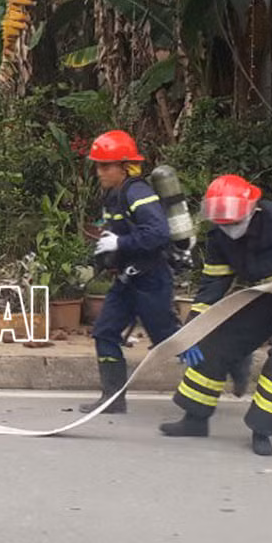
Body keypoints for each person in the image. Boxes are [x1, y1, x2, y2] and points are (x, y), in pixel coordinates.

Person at [160, 174, 272, 456]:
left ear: (251, 211)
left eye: (233, 223)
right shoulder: (219, 237)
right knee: (213, 345)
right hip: (264, 295)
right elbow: (213, 286)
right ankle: (194, 420)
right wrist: (192, 331)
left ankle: (262, 431)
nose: (229, 230)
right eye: (222, 224)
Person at [82, 130, 181, 415]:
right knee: (104, 332)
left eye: (105, 166)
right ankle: (112, 399)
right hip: (127, 280)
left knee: (169, 341)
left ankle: (220, 364)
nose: (99, 172)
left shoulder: (138, 193)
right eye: (97, 166)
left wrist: (121, 243)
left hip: (152, 281)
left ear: (125, 167)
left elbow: (158, 233)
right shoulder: (114, 195)